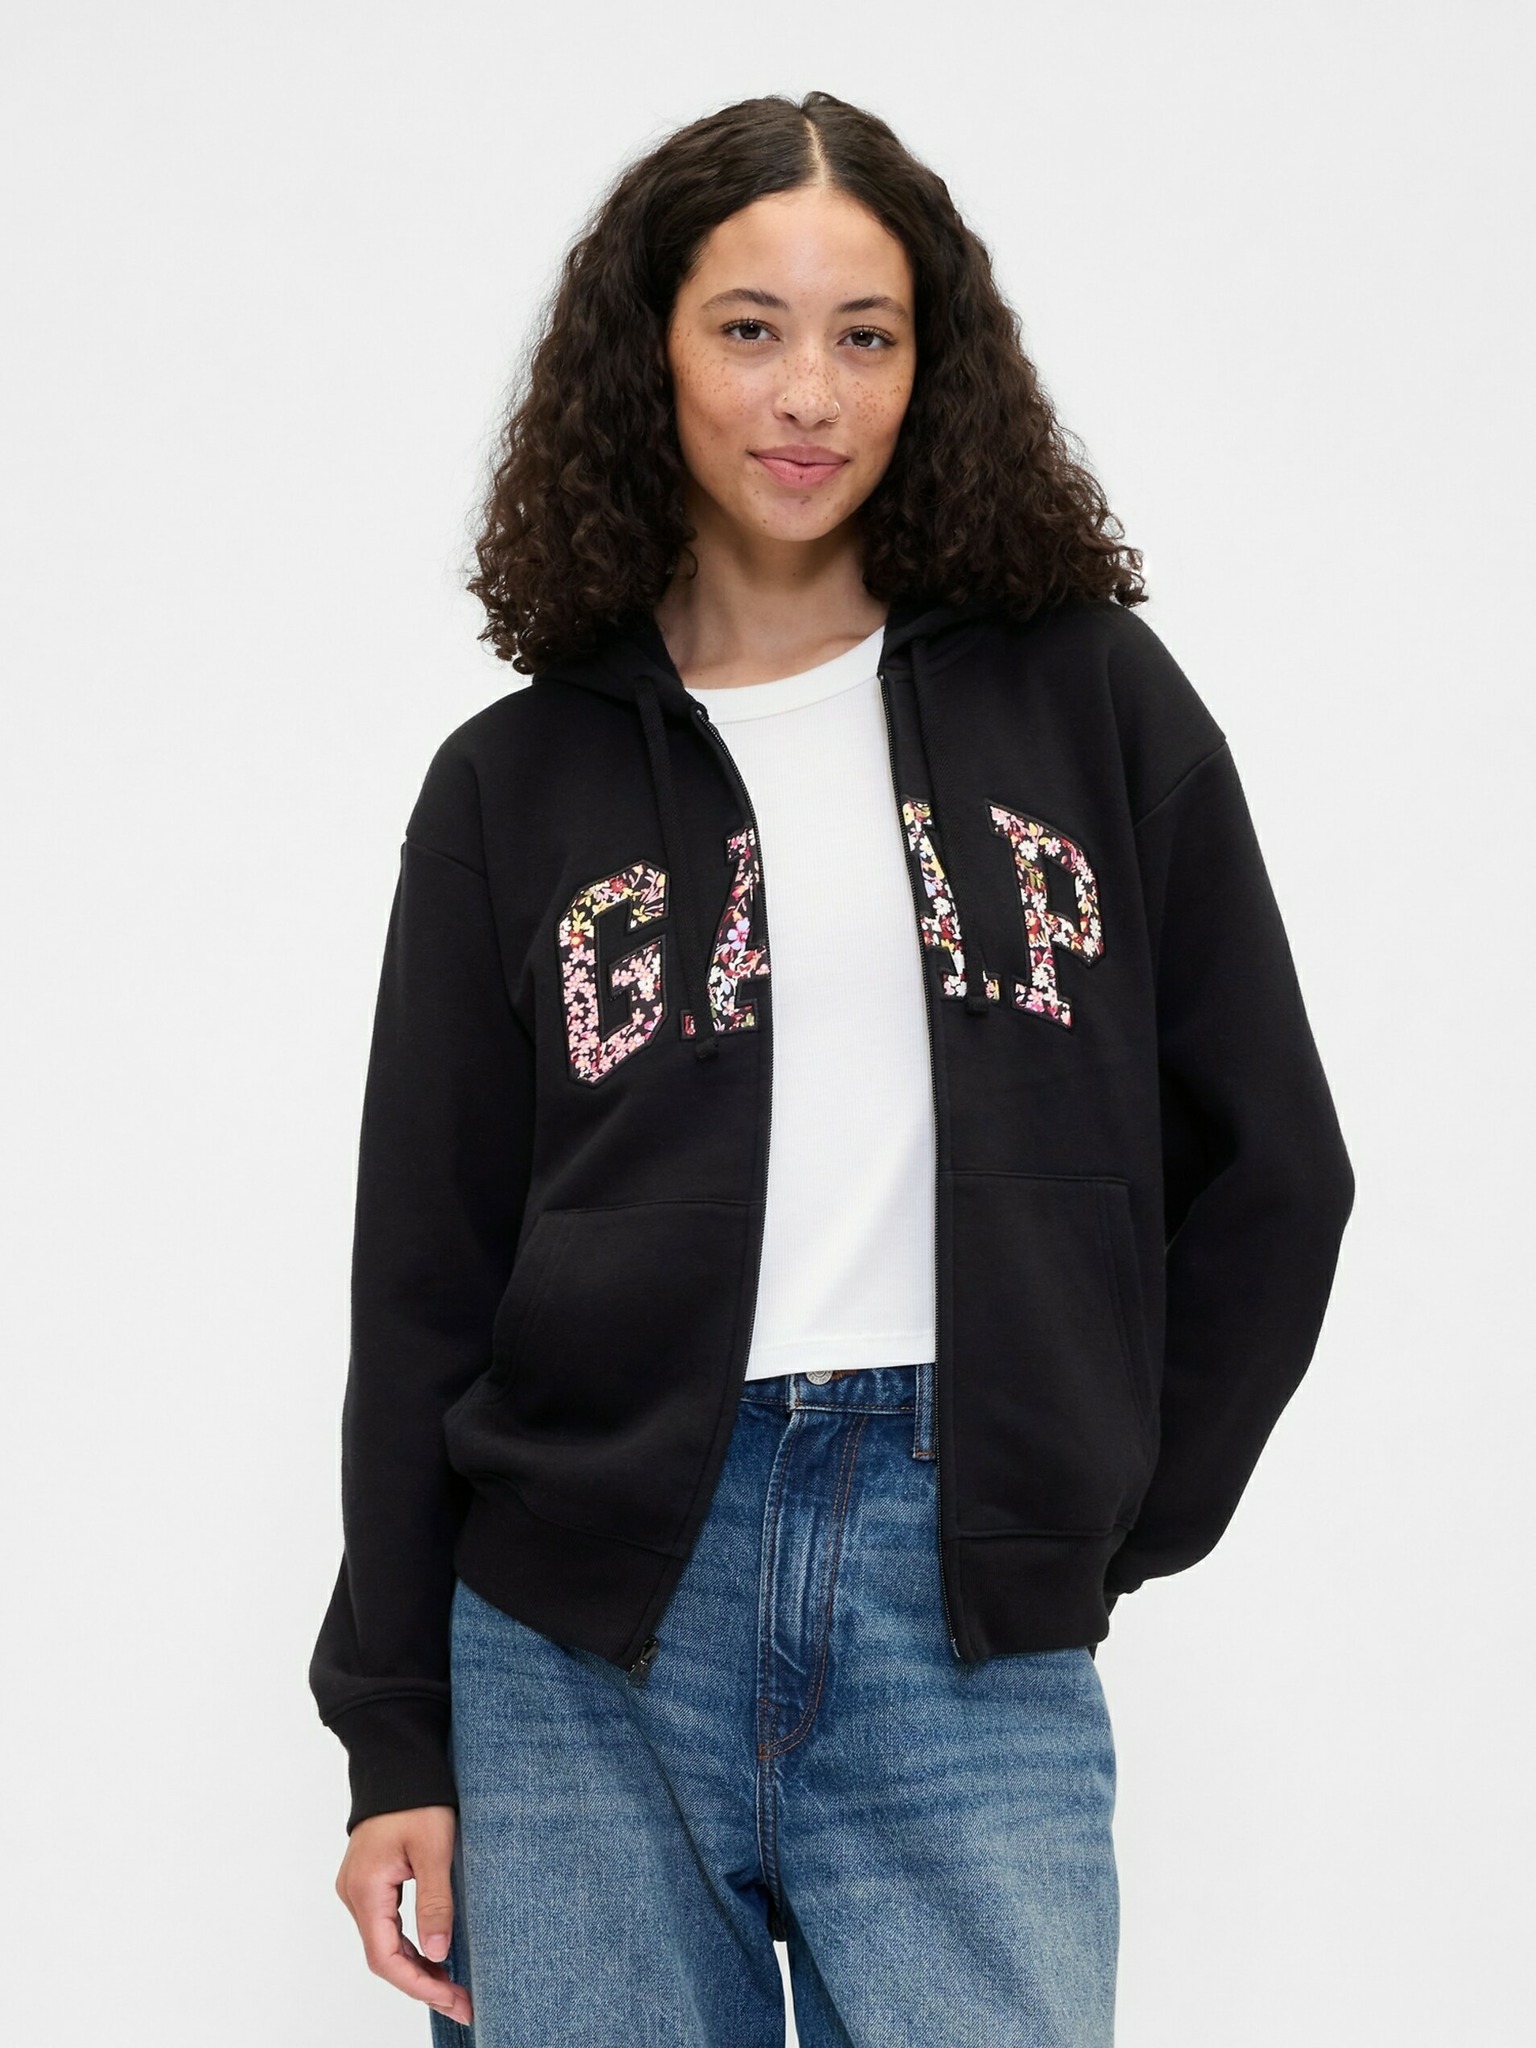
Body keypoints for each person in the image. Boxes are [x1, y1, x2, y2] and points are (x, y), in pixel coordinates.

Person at [308, 89, 1354, 2048]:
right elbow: (426, 1278)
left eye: (866, 334)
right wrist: (395, 1739)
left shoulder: (1086, 697)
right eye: (750, 328)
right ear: (650, 354)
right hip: (573, 1640)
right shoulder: (514, 784)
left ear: (931, 366)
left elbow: (1275, 1165)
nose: (810, 392)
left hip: (960, 1596)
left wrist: (1089, 1503)